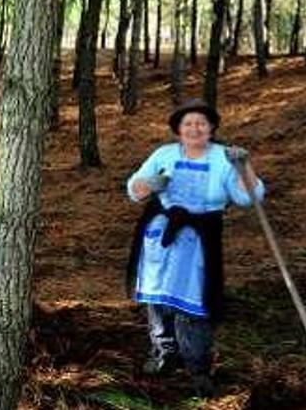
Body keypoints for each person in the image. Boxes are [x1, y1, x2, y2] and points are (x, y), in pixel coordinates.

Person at [124, 99, 264, 397]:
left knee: (194, 302)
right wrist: (147, 185)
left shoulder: (223, 158)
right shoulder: (163, 154)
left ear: (212, 128)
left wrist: (244, 166)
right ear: (178, 129)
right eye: (188, 123)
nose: (194, 128)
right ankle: (164, 352)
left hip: (200, 238)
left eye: (201, 123)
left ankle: (198, 367)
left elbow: (249, 197)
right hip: (161, 236)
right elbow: (134, 187)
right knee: (158, 299)